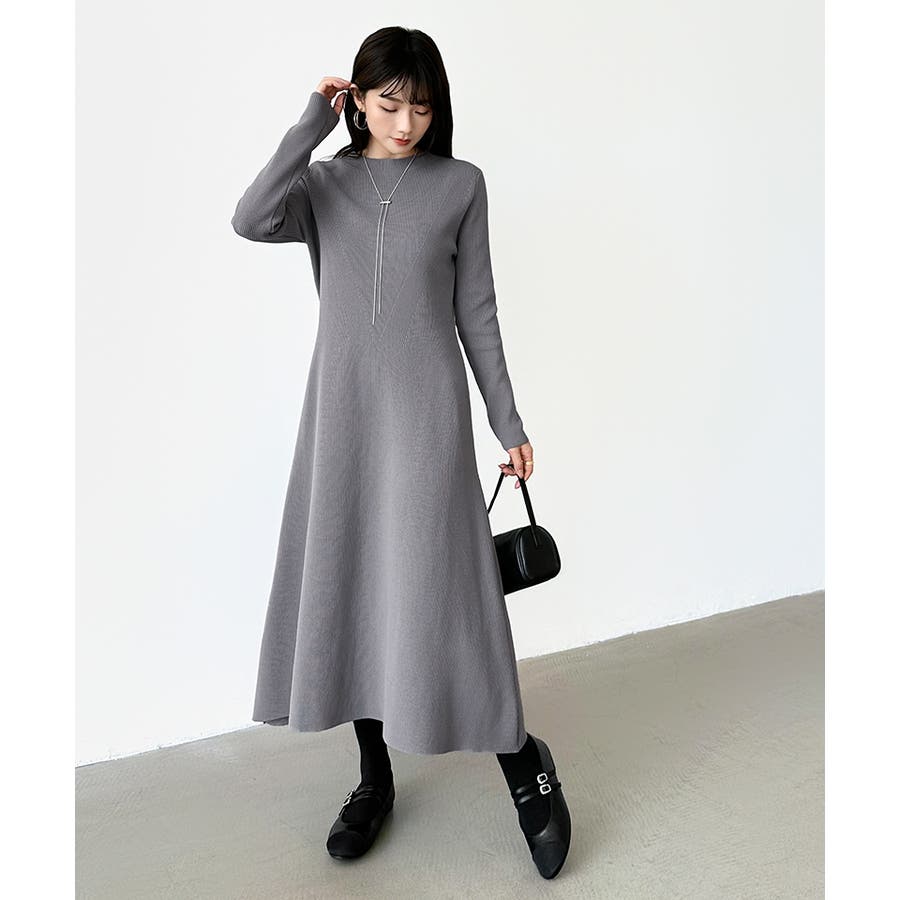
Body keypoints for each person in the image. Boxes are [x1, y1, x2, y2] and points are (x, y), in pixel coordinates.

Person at [231, 26, 571, 879]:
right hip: (342, 420)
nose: (407, 122)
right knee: (356, 589)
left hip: (427, 422)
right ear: (359, 101)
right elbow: (250, 217)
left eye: (421, 106)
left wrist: (508, 424)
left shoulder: (460, 185)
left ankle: (521, 759)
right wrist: (311, 122)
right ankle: (373, 778)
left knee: (453, 596)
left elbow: (477, 311)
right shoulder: (324, 184)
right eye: (388, 104)